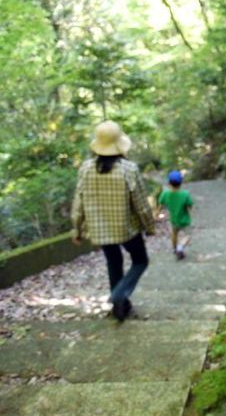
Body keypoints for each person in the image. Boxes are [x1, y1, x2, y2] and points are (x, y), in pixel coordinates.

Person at [71, 120, 155, 321]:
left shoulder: (85, 168)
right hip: (127, 228)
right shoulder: (128, 169)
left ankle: (120, 307)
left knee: (114, 262)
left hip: (100, 230)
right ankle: (119, 296)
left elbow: (78, 202)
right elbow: (141, 204)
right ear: (119, 145)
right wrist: (149, 226)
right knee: (141, 261)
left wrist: (77, 229)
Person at [158, 170, 193, 260]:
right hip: (184, 220)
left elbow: (160, 205)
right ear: (181, 182)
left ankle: (174, 249)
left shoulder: (165, 193)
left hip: (173, 219)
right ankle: (180, 248)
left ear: (169, 182)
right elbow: (190, 206)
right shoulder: (185, 194)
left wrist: (157, 214)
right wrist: (190, 213)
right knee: (188, 235)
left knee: (174, 234)